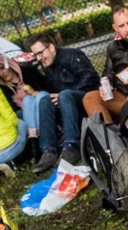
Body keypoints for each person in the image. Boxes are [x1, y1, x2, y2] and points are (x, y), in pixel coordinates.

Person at [27, 33, 100, 165]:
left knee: (65, 94)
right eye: (35, 55)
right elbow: (51, 88)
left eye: (40, 53)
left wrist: (66, 93)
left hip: (87, 97)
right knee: (44, 100)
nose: (39, 58)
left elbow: (90, 77)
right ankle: (49, 150)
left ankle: (72, 146)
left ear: (51, 47)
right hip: (66, 102)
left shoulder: (73, 55)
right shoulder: (48, 66)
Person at [0, 55, 60, 174]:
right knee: (27, 102)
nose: (1, 73)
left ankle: (35, 145)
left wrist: (34, 92)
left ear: (10, 65)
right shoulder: (1, 88)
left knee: (40, 95)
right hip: (25, 117)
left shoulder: (29, 73)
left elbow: (48, 89)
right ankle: (35, 142)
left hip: (46, 108)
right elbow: (9, 111)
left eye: (2, 68)